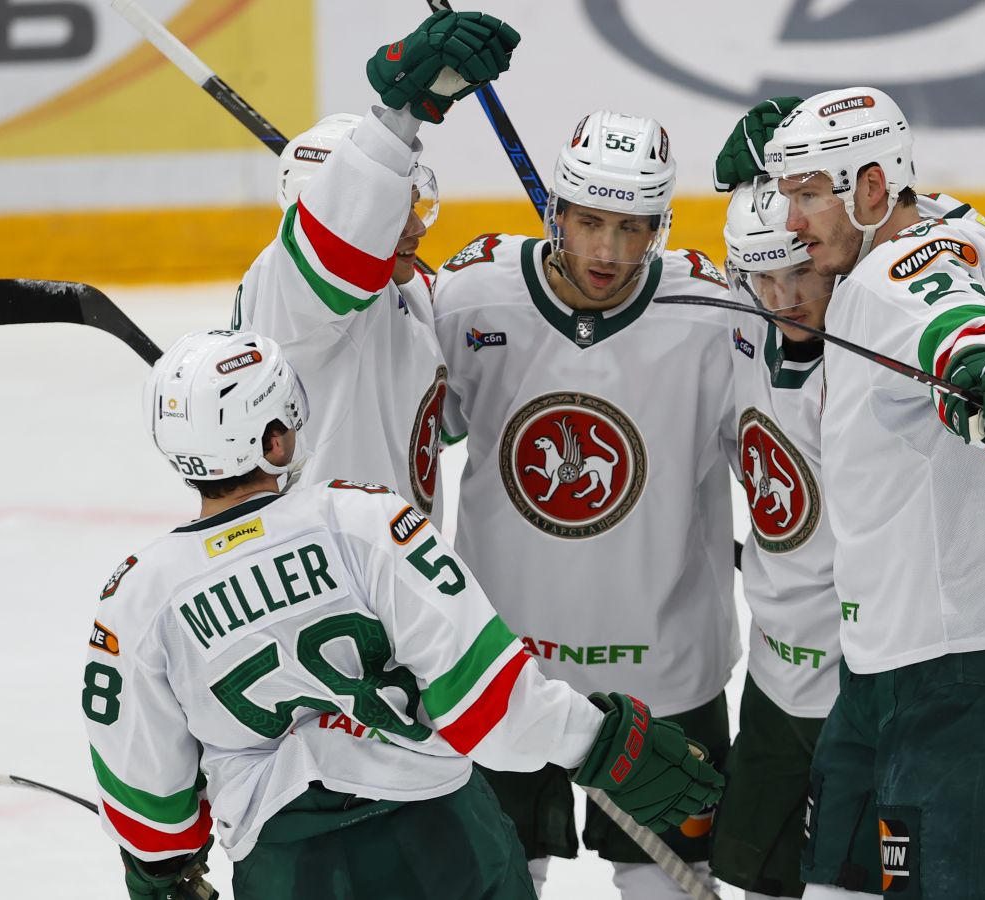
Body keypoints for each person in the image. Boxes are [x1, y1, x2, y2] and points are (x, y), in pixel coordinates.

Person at [81, 329, 724, 900]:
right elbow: (490, 706)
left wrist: (161, 872)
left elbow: (150, 807)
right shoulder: (363, 520)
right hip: (440, 836)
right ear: (273, 439)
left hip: (287, 867)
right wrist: (604, 743)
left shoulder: (136, 597)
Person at [713, 88, 985, 898]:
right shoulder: (961, 230)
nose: (792, 221)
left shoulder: (885, 279)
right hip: (884, 667)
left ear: (873, 189)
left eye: (808, 197)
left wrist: (981, 361)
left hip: (959, 670)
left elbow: (950, 316)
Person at [431, 110, 738, 899]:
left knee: (668, 885)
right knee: (495, 883)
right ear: (556, 213)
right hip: (502, 672)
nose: (607, 251)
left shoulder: (714, 317)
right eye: (590, 222)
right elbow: (407, 431)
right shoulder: (470, 301)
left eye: (632, 228)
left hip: (666, 674)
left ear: (661, 228)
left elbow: (787, 450)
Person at [233, 9, 518, 517]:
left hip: (394, 554)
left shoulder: (405, 292)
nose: (417, 228)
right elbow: (344, 238)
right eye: (391, 212)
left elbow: (438, 424)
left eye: (413, 204)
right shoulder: (289, 287)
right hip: (333, 554)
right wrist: (400, 115)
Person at [712, 181, 851, 900]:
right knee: (762, 883)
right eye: (761, 277)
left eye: (800, 272)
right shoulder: (738, 327)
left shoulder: (877, 360)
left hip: (864, 682)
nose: (783, 297)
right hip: (772, 675)